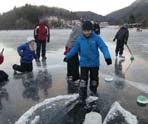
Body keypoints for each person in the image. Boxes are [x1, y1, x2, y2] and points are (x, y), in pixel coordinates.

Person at [64, 21, 112, 102]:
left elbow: (103, 47)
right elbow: (74, 49)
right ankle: (82, 93)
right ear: (82, 30)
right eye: (85, 30)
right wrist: (67, 56)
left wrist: (107, 57)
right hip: (84, 64)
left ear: (92, 30)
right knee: (83, 80)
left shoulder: (96, 38)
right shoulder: (80, 39)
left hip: (94, 64)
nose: (87, 32)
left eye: (89, 30)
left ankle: (93, 91)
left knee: (94, 79)